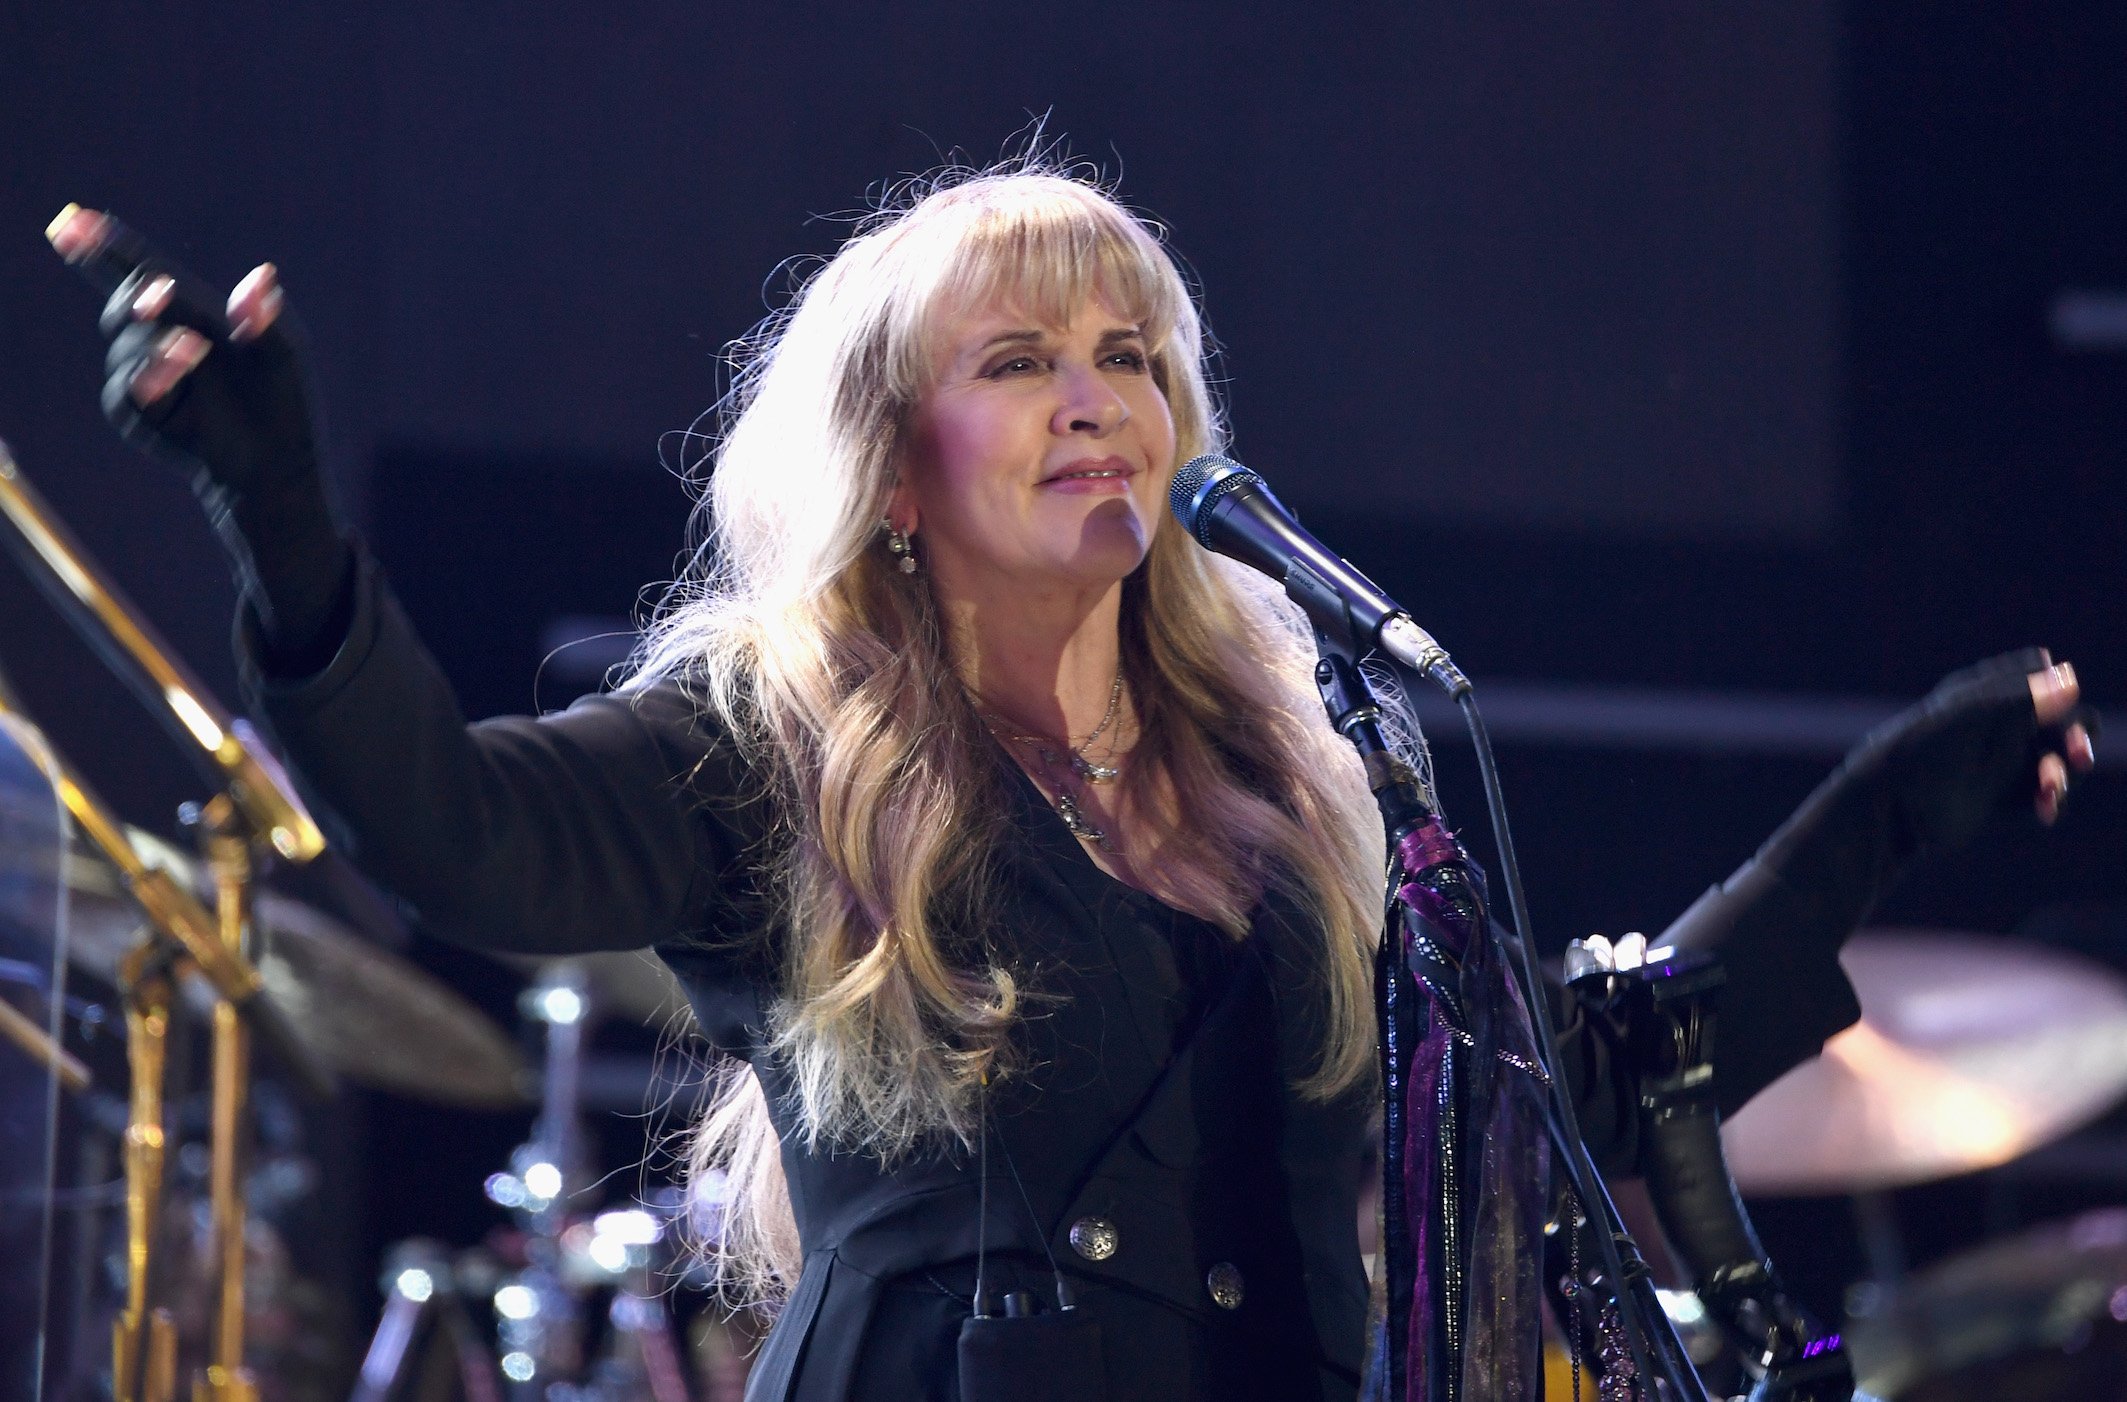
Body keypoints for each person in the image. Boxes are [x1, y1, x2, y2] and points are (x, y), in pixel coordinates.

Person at [46, 167, 2095, 1402]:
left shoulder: (1298, 782)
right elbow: (453, 830)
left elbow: (1538, 1112)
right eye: (1016, 358)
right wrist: (288, 533)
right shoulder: (777, 744)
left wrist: (1878, 815)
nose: (1095, 393)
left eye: (1126, 350)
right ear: (892, 462)